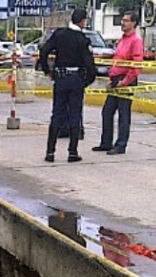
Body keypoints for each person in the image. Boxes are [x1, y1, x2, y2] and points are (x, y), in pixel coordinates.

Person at [39, 8, 96, 162]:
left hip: (60, 79)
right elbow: (90, 66)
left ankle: (50, 152)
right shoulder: (82, 39)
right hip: (76, 79)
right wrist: (86, 81)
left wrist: (47, 70)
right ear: (83, 21)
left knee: (56, 114)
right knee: (74, 115)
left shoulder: (59, 34)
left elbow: (44, 51)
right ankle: (72, 152)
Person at [92, 11, 143, 155]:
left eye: (126, 21)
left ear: (133, 23)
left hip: (126, 80)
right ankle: (106, 143)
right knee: (107, 111)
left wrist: (125, 82)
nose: (123, 23)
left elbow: (136, 65)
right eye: (122, 20)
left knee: (123, 113)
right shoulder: (122, 39)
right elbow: (116, 61)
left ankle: (121, 145)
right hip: (115, 79)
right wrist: (110, 78)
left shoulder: (136, 40)